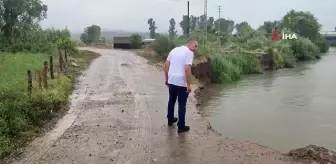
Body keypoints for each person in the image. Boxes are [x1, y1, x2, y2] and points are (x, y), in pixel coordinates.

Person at [163, 39, 198, 133]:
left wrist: (167, 79)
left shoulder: (174, 50)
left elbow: (166, 65)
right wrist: (189, 85)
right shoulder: (189, 53)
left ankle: (170, 120)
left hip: (172, 80)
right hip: (181, 83)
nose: (196, 49)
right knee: (182, 105)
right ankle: (181, 126)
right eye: (196, 46)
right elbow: (187, 69)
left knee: (171, 101)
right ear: (190, 44)